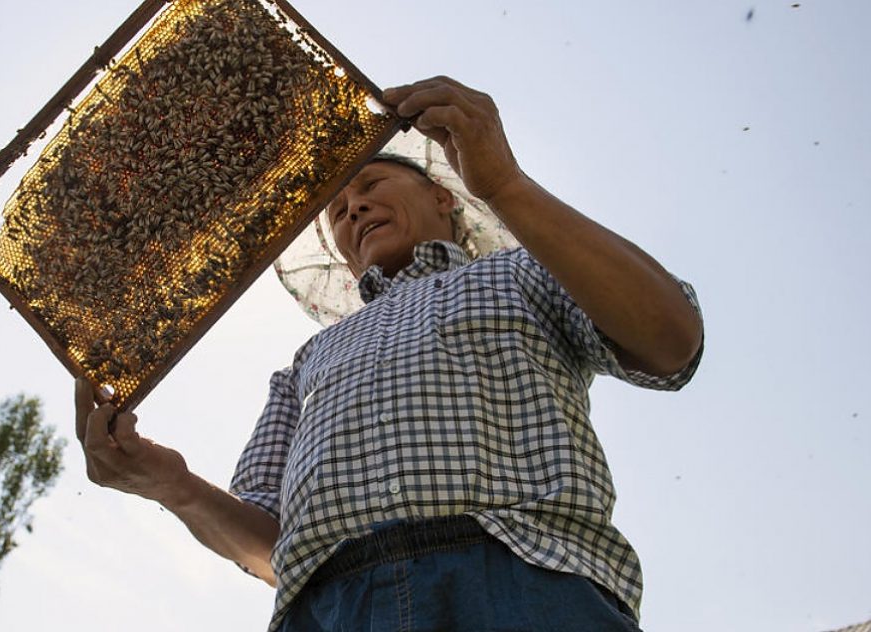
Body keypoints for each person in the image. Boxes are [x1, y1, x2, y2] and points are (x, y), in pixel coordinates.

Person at [75, 76, 704, 631]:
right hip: (325, 609)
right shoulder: (308, 358)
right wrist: (170, 484)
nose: (355, 207)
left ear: (445, 197)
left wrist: (506, 183)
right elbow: (269, 543)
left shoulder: (523, 273)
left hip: (522, 578)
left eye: (372, 183)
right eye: (340, 212)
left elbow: (670, 339)